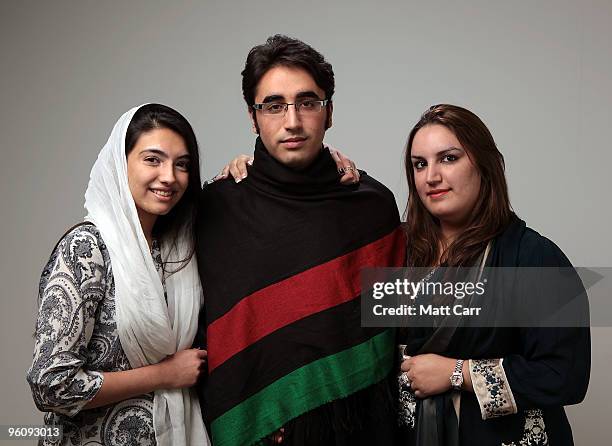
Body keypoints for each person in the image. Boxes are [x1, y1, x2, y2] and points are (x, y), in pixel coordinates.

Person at [194, 35, 406, 446]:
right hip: (261, 434)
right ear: (253, 118)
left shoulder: (372, 206)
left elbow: (399, 328)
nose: (292, 121)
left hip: (360, 432)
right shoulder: (217, 208)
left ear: (329, 113)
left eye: (307, 103)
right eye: (273, 106)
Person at [397, 104, 591, 445]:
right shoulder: (400, 253)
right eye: (419, 164)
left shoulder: (534, 258)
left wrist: (458, 374)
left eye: (449, 158)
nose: (431, 177)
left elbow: (565, 376)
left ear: (484, 165)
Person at [27, 104, 211, 446]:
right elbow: (51, 385)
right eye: (152, 159)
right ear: (120, 163)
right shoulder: (86, 249)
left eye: (182, 164)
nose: (169, 176)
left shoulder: (179, 251)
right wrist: (166, 375)